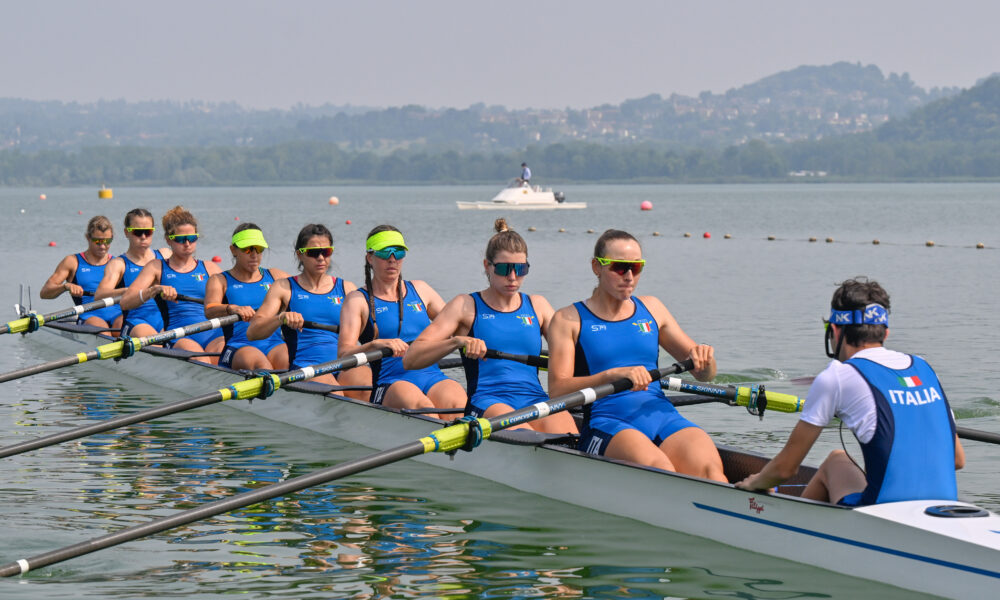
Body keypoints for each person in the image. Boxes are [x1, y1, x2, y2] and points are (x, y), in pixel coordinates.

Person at [736, 277, 966, 505]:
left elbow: (785, 469)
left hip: (881, 513)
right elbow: (957, 459)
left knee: (836, 460)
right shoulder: (924, 368)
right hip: (942, 508)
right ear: (885, 333)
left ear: (835, 331)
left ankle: (788, 530)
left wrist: (755, 483)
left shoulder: (836, 376)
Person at [546, 229, 726, 481]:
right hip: (607, 421)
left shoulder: (652, 308)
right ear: (596, 267)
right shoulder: (569, 319)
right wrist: (612, 375)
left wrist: (706, 360)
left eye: (637, 267)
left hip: (662, 415)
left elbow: (705, 375)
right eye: (620, 268)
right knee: (660, 470)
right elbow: (557, 391)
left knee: (711, 472)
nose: (629, 276)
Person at [404, 218, 577, 434]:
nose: (512, 277)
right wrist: (457, 341)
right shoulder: (465, 306)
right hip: (488, 402)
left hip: (535, 398)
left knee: (570, 435)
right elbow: (411, 358)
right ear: (487, 266)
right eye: (504, 269)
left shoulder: (538, 306)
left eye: (521, 269)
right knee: (525, 435)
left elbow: (576, 355)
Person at [338, 225, 467, 419]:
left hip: (433, 376)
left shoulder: (421, 290)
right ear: (370, 258)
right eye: (384, 252)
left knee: (460, 406)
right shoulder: (357, 300)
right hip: (390, 382)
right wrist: (375, 344)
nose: (392, 259)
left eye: (398, 252)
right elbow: (343, 357)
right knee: (424, 408)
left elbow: (460, 327)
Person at [247, 224, 369, 397]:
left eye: (326, 252)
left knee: (366, 386)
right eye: (313, 253)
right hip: (307, 369)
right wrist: (280, 318)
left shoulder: (347, 289)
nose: (321, 258)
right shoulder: (284, 288)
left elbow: (369, 335)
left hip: (345, 364)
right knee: (335, 393)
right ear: (300, 254)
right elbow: (253, 332)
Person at [120, 206, 224, 363]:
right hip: (179, 336)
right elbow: (125, 302)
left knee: (224, 357)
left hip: (214, 335)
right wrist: (153, 290)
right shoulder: (156, 267)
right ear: (169, 239)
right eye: (181, 239)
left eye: (192, 238)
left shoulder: (210, 268)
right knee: (202, 360)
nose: (187, 243)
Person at [204, 223, 290, 371]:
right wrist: (232, 308)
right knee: (263, 366)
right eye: (247, 249)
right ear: (233, 250)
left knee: (291, 362)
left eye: (259, 249)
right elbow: (209, 310)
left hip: (274, 343)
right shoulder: (219, 280)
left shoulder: (276, 276)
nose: (254, 255)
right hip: (239, 346)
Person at [94, 208, 173, 337]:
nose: (143, 237)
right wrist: (129, 291)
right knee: (157, 342)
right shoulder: (119, 264)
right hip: (137, 322)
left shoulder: (165, 254)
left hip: (167, 319)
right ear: (127, 233)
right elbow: (99, 294)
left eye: (148, 232)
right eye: (137, 232)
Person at [40, 215, 124, 330]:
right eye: (98, 241)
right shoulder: (72, 262)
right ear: (87, 238)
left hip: (117, 314)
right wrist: (65, 287)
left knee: (123, 329)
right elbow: (44, 293)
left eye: (107, 241)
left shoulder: (118, 263)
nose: (103, 246)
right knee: (104, 331)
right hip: (90, 315)